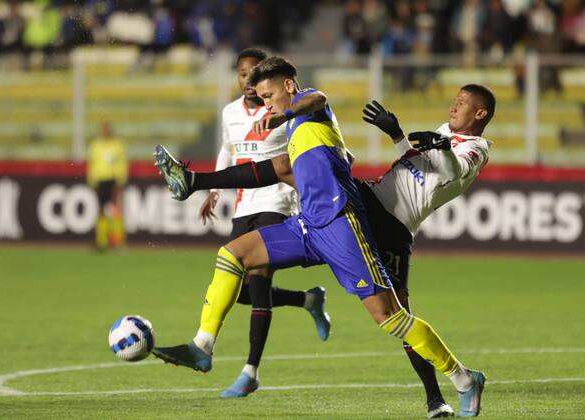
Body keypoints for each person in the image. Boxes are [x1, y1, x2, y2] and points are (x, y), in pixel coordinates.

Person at [152, 57, 487, 417]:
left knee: (392, 315)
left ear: (290, 87)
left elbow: (318, 99)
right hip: (319, 218)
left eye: (269, 96)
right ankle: (203, 345)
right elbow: (412, 166)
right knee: (234, 252)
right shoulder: (297, 129)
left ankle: (463, 380)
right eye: (262, 99)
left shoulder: (307, 105)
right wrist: (396, 135)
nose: (266, 105)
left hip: (349, 220)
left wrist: (284, 117)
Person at [199, 47, 331, 398]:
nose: (247, 79)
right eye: (242, 74)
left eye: (254, 73)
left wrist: (282, 114)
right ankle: (308, 300)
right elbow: (228, 149)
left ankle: (250, 370)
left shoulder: (284, 107)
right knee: (241, 291)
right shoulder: (230, 113)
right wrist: (213, 188)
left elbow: (308, 122)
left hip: (277, 200)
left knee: (257, 284)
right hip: (244, 204)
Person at [86, 121, 128, 251]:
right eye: (103, 129)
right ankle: (101, 242)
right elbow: (92, 164)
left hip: (113, 180)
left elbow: (122, 164)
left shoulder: (118, 145)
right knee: (101, 210)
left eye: (107, 129)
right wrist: (92, 180)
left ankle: (117, 242)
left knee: (115, 210)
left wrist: (121, 180)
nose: (105, 132)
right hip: (100, 180)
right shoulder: (95, 146)